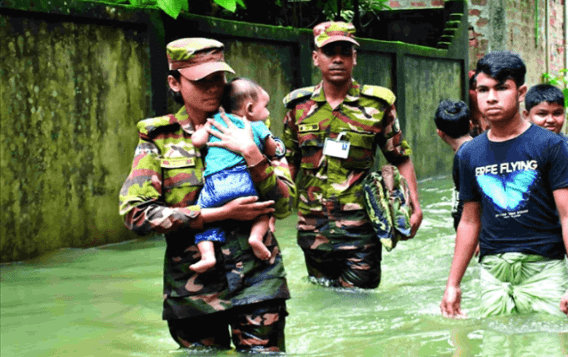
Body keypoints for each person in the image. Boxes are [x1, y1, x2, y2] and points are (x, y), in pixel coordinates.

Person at [118, 38, 295, 352]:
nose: (213, 87)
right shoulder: (159, 139)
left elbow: (283, 205)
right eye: (201, 80)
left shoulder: (253, 125)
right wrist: (215, 216)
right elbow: (136, 213)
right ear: (175, 82)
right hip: (192, 288)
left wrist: (253, 156)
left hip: (258, 277)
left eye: (218, 77)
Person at [439, 51, 568, 319]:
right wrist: (453, 284)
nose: (492, 97)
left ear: (520, 92)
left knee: (550, 343)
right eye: (483, 90)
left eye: (501, 88)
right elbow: (469, 221)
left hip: (545, 268)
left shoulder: (550, 145)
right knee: (495, 343)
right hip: (493, 272)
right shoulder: (469, 154)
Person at [281, 21, 423, 289]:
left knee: (359, 304)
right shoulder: (297, 107)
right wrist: (273, 212)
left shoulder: (377, 105)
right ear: (315, 58)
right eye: (329, 52)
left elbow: (400, 157)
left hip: (362, 229)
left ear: (354, 58)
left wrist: (414, 207)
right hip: (313, 228)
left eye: (345, 52)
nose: (337, 59)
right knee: (323, 300)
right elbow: (289, 162)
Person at [189, 77, 285, 273]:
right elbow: (272, 149)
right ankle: (255, 238)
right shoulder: (255, 124)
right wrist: (275, 147)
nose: (267, 112)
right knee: (264, 210)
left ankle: (207, 256)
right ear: (250, 109)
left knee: (202, 217)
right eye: (266, 107)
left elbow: (197, 142)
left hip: (215, 184)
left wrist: (201, 131)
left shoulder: (216, 120)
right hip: (243, 180)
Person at [523, 84, 568, 190]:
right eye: (542, 114)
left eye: (557, 113)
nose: (551, 120)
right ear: (526, 115)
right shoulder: (515, 144)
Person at [434, 99, 473, 231]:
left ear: (440, 133)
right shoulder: (480, 149)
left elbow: (467, 202)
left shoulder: (462, 156)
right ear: (471, 125)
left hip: (471, 232)